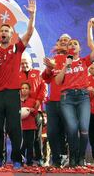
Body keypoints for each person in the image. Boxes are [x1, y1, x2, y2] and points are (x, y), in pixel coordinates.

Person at [0, 0, 36, 169]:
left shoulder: (16, 48)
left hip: (13, 93)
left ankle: (17, 159)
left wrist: (32, 15)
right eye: (2, 31)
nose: (4, 32)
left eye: (7, 30)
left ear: (12, 35)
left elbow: (30, 32)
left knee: (14, 128)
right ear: (0, 35)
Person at [55, 23, 94, 167]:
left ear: (79, 48)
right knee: (72, 129)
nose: (73, 45)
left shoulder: (84, 61)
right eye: (70, 44)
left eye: (75, 44)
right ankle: (73, 159)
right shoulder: (62, 62)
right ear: (67, 49)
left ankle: (80, 157)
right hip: (66, 97)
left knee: (84, 128)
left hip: (82, 97)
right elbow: (57, 81)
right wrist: (65, 66)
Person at [41, 34, 70, 167]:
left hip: (68, 100)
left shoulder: (73, 59)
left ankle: (65, 157)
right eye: (61, 40)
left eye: (66, 40)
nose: (63, 42)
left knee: (66, 131)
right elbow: (46, 79)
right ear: (57, 43)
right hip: (53, 101)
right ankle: (56, 158)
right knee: (52, 132)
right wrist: (49, 67)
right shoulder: (53, 59)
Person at [19, 52, 47, 166]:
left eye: (26, 62)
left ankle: (39, 158)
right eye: (22, 63)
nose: (24, 65)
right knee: (21, 138)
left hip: (36, 110)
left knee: (37, 137)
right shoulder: (17, 75)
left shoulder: (37, 73)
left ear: (30, 63)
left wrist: (39, 100)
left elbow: (44, 88)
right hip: (21, 111)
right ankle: (21, 159)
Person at [20, 82, 38, 166]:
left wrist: (32, 110)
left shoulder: (32, 101)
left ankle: (29, 162)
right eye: (22, 88)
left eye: (26, 88)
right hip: (20, 127)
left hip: (30, 126)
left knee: (30, 145)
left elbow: (35, 114)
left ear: (29, 90)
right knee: (21, 145)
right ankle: (20, 161)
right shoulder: (16, 101)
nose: (24, 90)